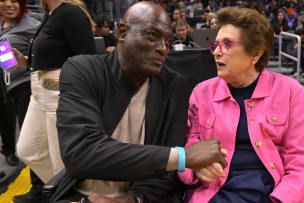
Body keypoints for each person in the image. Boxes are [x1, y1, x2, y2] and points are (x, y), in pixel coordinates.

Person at [51, 2, 226, 203]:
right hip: (81, 195)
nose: (162, 49)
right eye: (152, 37)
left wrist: (131, 199)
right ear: (123, 32)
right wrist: (182, 157)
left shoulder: (173, 84)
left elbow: (167, 174)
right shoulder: (83, 70)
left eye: (168, 43)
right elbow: (80, 153)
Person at [178, 7, 304, 203]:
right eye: (216, 44)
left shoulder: (289, 91)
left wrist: (283, 198)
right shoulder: (202, 92)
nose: (215, 52)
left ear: (256, 53)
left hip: (279, 192)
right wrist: (196, 165)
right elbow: (191, 141)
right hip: (218, 192)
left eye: (227, 44)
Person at [12, 0, 96, 202]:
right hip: (39, 92)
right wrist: (25, 61)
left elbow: (88, 59)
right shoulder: (50, 14)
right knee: (27, 150)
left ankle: (67, 195)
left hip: (58, 93)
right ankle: (67, 192)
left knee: (61, 160)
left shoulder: (70, 13)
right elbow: (55, 53)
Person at [0, 0, 39, 166]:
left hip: (25, 84)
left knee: (30, 138)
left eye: (14, 1)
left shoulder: (32, 23)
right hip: (6, 80)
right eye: (4, 0)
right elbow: (5, 57)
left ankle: (39, 185)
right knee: (5, 117)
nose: (9, 4)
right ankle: (8, 150)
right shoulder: (2, 23)